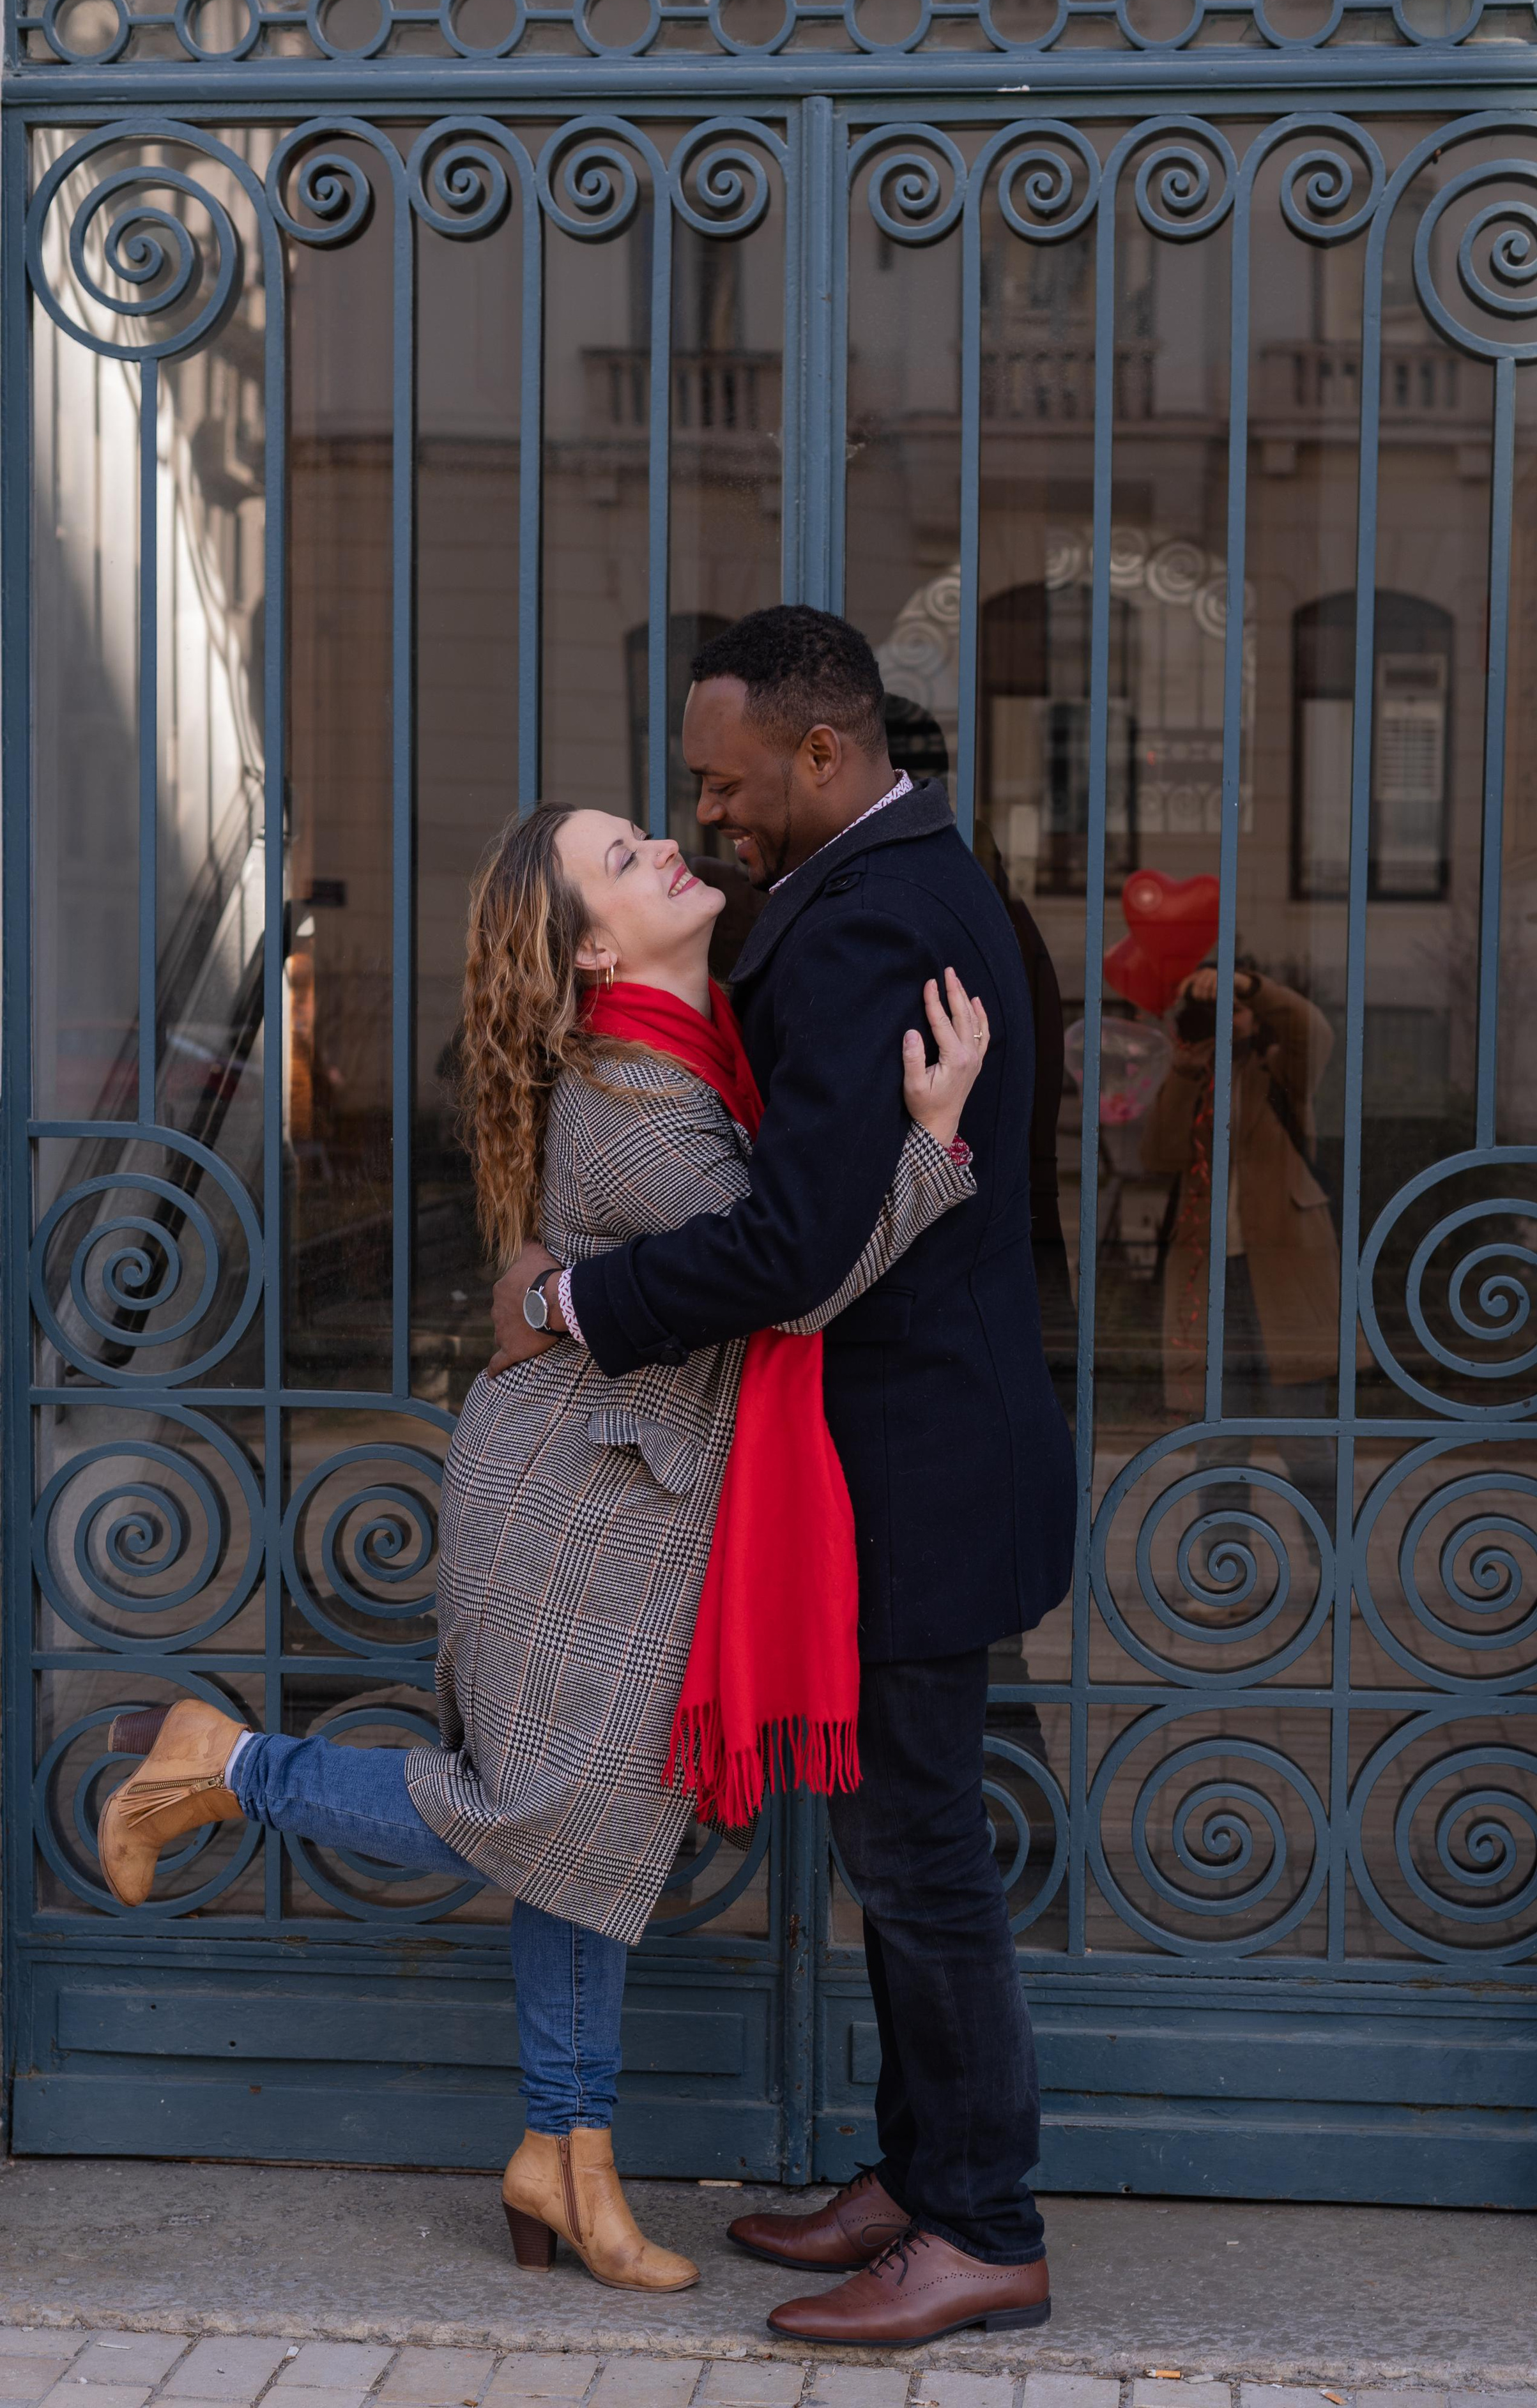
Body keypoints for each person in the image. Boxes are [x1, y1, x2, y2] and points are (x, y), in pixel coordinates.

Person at [96, 797, 987, 2297]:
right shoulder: (636, 1099)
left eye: (643, 832)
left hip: (610, 1492)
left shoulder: (695, 1054)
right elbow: (792, 1277)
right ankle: (222, 1765)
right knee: (545, 1814)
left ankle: (562, 2159)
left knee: (577, 1843)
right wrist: (934, 1135)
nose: (656, 848)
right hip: (582, 1505)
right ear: (587, 941)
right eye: (618, 857)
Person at [491, 605, 1078, 2346]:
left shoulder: (867, 923)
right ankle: (919, 2172)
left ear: (823, 754)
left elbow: (797, 1251)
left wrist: (578, 1298)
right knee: (909, 1852)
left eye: (724, 781)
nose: (711, 815)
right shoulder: (875, 886)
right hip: (913, 1460)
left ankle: (983, 2224)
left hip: (915, 1470)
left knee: (924, 1867)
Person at [1141, 963, 1340, 1519]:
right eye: (1217, 1011)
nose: (1227, 1021)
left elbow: (1313, 1031)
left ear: (1257, 1016)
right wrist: (1183, 1068)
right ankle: (1221, 1580)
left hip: (1284, 1278)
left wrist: (1246, 984)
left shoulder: (1282, 1073)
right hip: (1211, 1281)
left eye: (1238, 1009)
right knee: (1220, 1443)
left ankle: (1337, 1572)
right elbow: (1158, 1155)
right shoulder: (1191, 1077)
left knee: (1305, 1443)